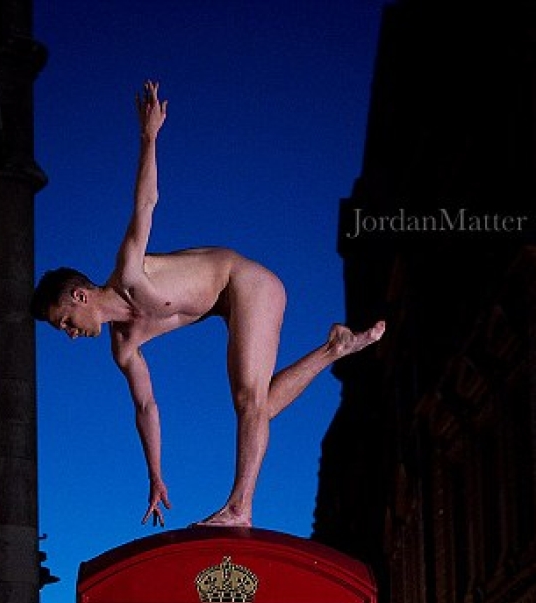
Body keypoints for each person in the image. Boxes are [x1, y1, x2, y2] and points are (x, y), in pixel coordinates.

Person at [31, 81, 385, 528]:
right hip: (229, 307)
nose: (69, 332)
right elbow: (146, 408)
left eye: (65, 321)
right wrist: (156, 477)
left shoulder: (130, 272)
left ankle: (239, 508)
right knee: (262, 407)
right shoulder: (124, 347)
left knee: (248, 401)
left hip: (248, 282)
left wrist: (149, 137)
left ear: (80, 296)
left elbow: (146, 203)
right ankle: (334, 349)